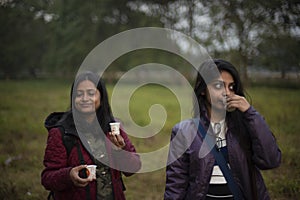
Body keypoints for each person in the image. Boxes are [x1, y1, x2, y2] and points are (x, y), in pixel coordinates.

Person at [164, 59, 281, 200]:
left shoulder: (246, 126)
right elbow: (176, 184)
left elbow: (271, 161)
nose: (227, 92)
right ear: (202, 90)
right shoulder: (184, 131)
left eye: (231, 87)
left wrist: (250, 113)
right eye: (218, 85)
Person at [41, 71, 141, 200]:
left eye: (91, 93)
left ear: (101, 97)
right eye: (79, 94)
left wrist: (120, 150)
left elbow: (133, 168)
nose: (84, 98)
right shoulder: (61, 132)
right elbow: (47, 178)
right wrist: (69, 175)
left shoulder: (113, 127)